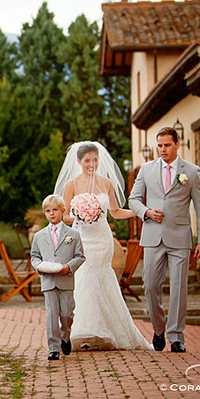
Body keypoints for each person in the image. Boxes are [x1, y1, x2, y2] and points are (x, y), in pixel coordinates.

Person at [54, 141, 152, 351]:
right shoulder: (71, 185)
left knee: (102, 276)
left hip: (102, 238)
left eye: (95, 159)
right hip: (83, 239)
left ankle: (107, 331)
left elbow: (115, 212)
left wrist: (139, 212)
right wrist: (80, 215)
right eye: (87, 160)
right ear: (79, 161)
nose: (92, 164)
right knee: (84, 278)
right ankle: (81, 331)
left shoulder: (106, 183)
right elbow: (64, 216)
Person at [129, 127, 200, 353]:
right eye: (160, 145)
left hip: (180, 237)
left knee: (179, 287)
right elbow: (133, 199)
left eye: (167, 145)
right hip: (153, 235)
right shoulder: (146, 169)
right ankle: (159, 328)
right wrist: (146, 212)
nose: (162, 149)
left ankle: (176, 336)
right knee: (150, 286)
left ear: (177, 145)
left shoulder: (191, 172)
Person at [30, 194, 85, 361]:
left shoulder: (73, 234)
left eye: (55, 210)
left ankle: (65, 337)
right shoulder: (39, 236)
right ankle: (53, 348)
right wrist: (39, 267)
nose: (51, 213)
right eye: (48, 210)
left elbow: (80, 256)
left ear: (63, 211)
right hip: (48, 280)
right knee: (51, 315)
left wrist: (69, 267)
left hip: (66, 280)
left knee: (67, 314)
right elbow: (34, 256)